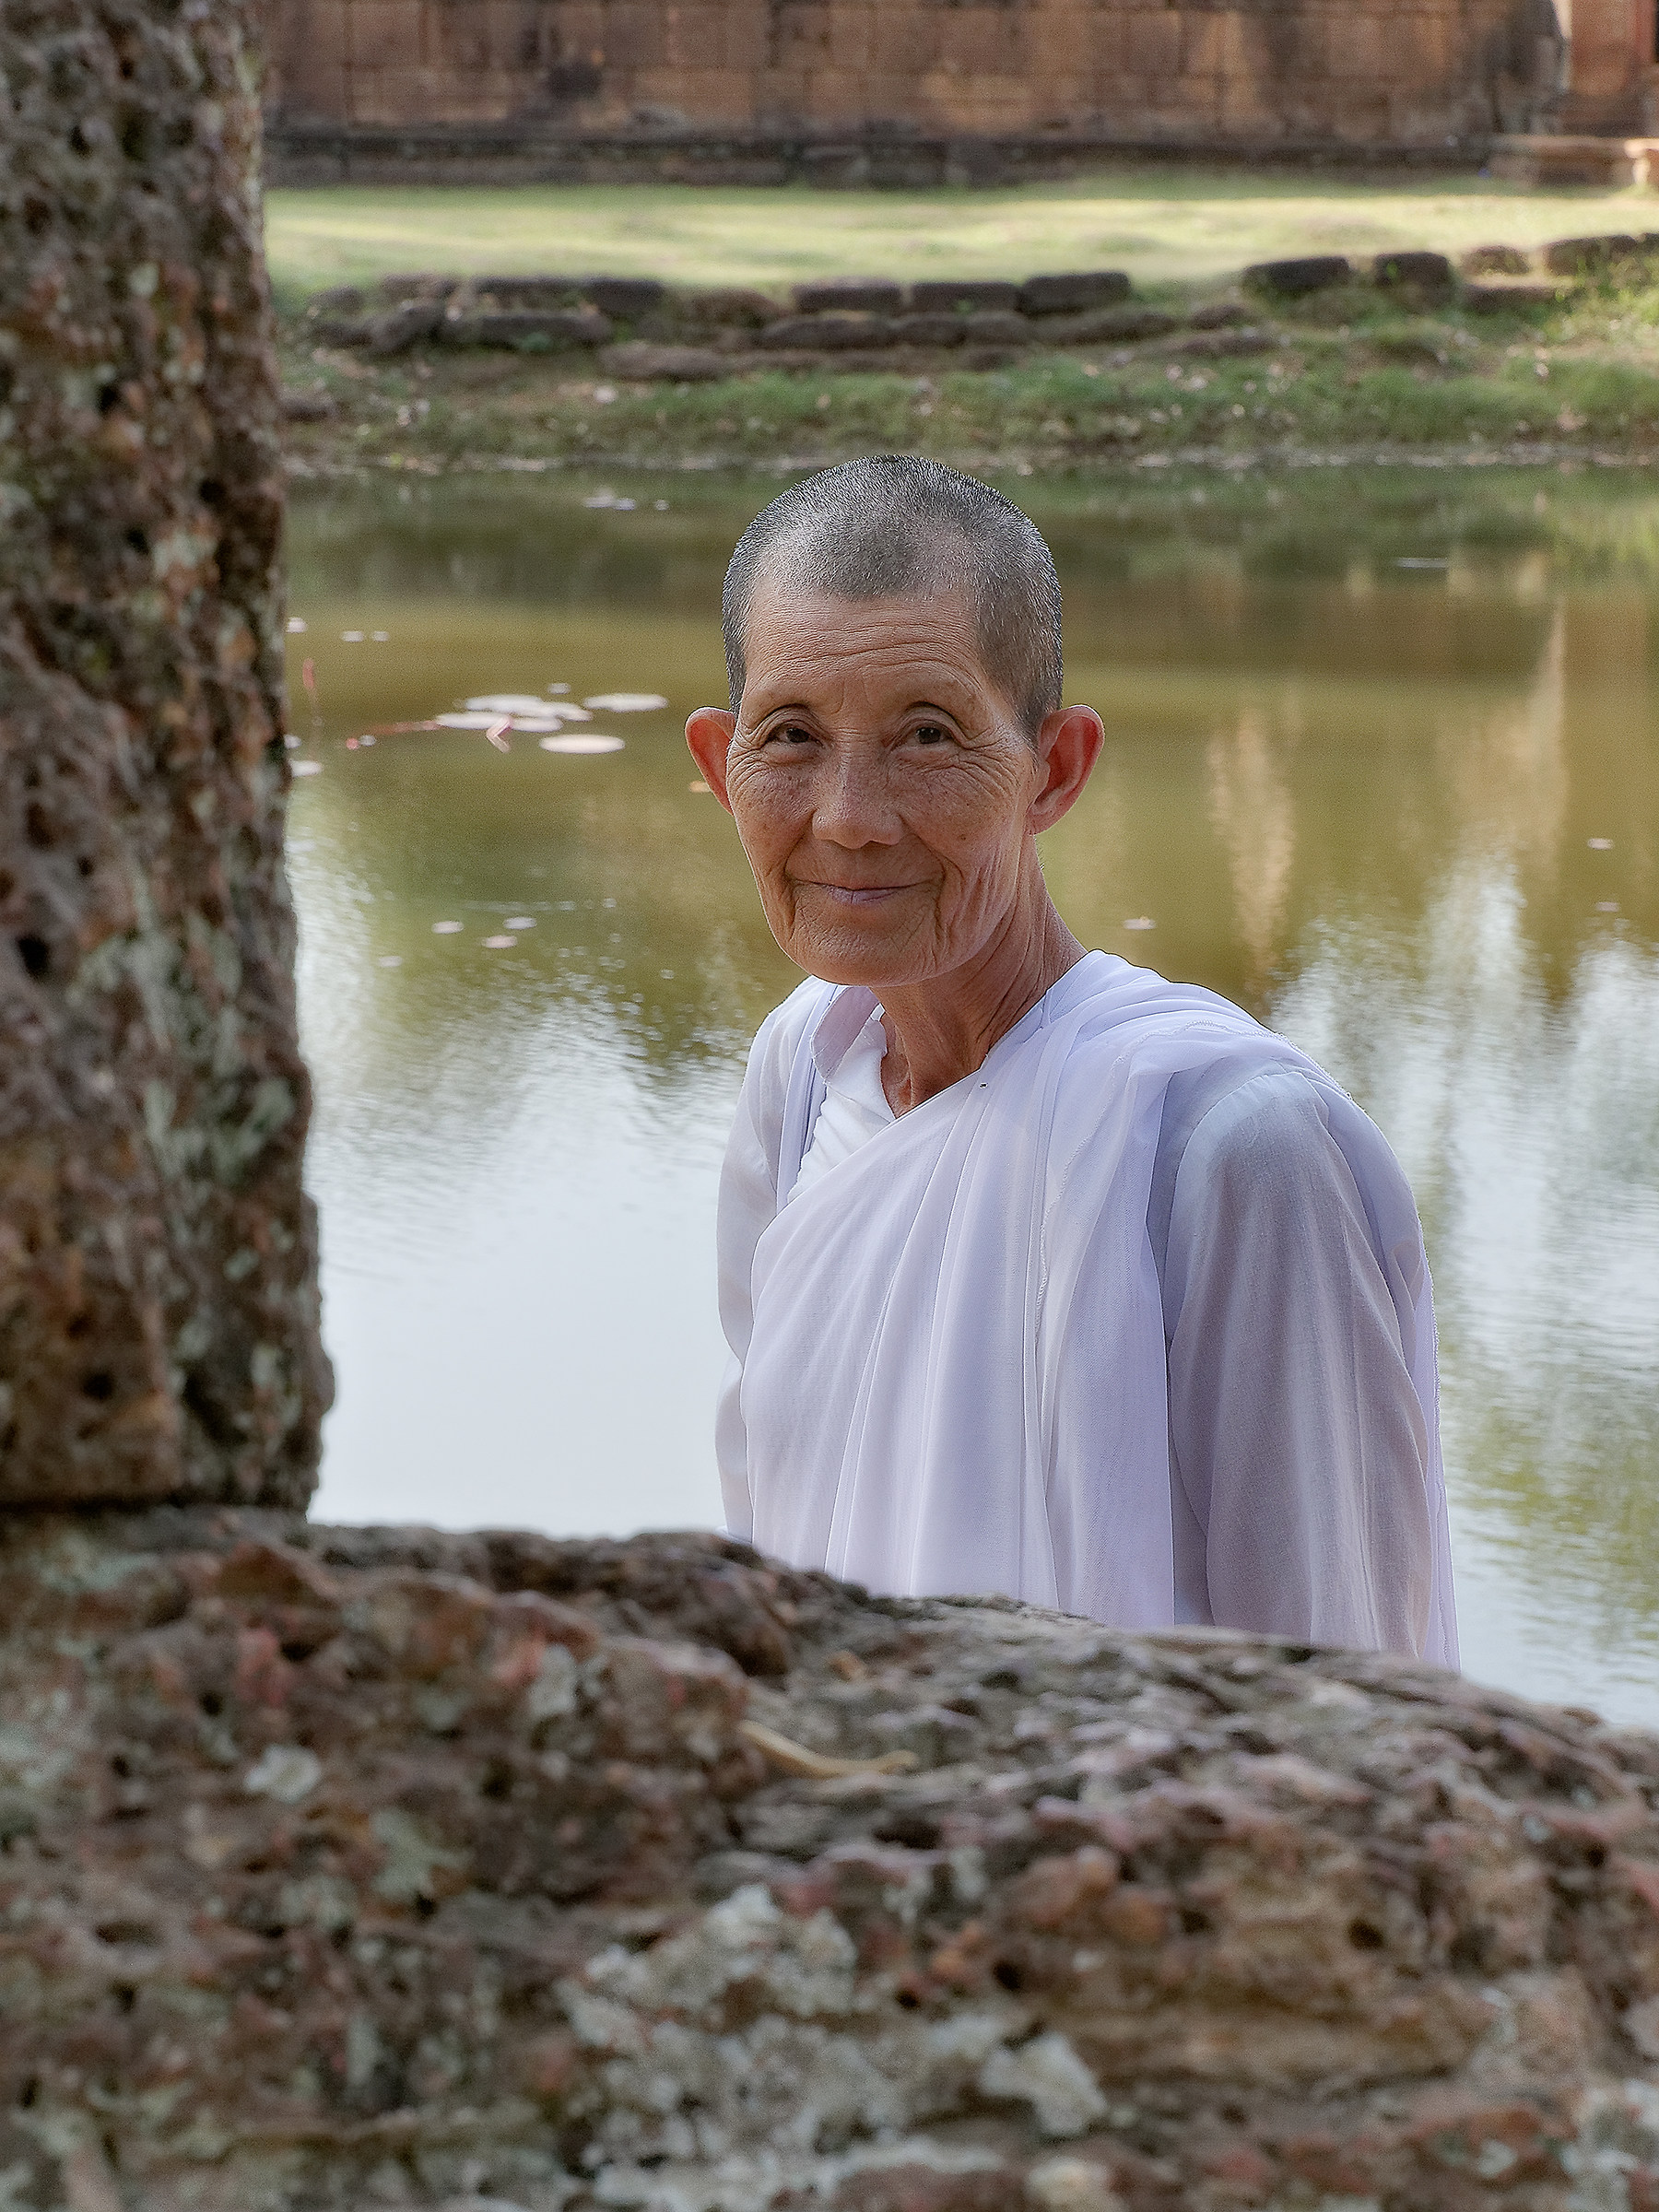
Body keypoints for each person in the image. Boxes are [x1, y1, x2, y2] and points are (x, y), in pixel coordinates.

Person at [686, 455, 1457, 1665]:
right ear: (716, 765)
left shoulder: (1227, 1145)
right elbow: (773, 1551)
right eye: (792, 736)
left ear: (1056, 768)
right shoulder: (800, 1077)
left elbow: (1347, 1687)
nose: (848, 815)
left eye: (927, 735)